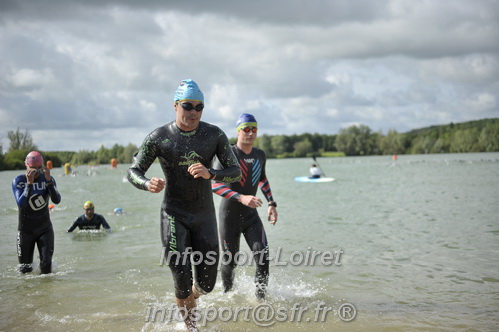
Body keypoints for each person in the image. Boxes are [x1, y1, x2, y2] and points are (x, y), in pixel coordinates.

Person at [127, 79, 241, 331]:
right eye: (188, 106)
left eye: (199, 107)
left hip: (204, 216)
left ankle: (189, 297)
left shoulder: (214, 134)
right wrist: (147, 184)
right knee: (180, 274)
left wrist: (211, 173)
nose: (193, 112)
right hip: (173, 214)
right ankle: (191, 326)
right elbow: (133, 171)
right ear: (176, 105)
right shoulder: (159, 137)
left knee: (208, 284)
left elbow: (235, 172)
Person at [212, 113, 278, 300]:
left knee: (263, 259)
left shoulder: (260, 155)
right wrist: (241, 197)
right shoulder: (228, 154)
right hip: (229, 216)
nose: (250, 133)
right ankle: (227, 297)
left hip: (251, 217)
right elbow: (215, 185)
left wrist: (271, 203)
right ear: (238, 131)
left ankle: (260, 301)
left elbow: (262, 179)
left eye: (253, 129)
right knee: (230, 262)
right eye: (246, 129)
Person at [12, 151, 61, 274]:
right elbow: (21, 204)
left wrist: (49, 182)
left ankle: (46, 293)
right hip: (25, 231)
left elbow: (57, 200)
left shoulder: (47, 179)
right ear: (26, 165)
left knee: (46, 267)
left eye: (39, 169)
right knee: (25, 269)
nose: (37, 172)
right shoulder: (19, 181)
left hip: (45, 229)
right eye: (33, 169)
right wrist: (29, 184)